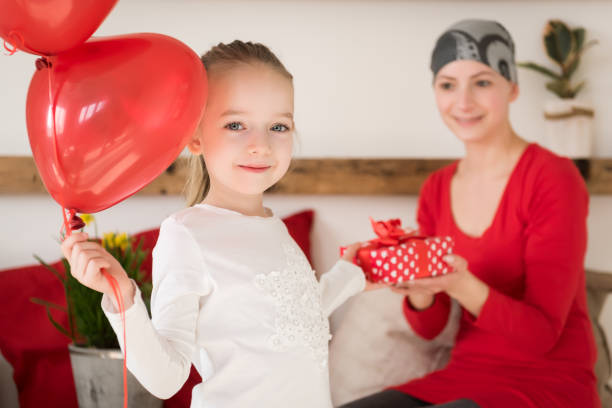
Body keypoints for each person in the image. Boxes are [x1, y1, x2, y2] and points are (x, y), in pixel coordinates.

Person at [61, 40, 376, 408]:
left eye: (278, 126)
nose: (260, 145)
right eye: (236, 124)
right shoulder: (186, 235)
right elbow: (166, 378)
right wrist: (122, 297)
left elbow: (295, 318)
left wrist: (350, 274)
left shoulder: (275, 228)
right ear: (195, 136)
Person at [340, 19, 599, 408]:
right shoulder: (437, 188)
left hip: (549, 383)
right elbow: (430, 328)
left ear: (511, 87)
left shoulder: (553, 177)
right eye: (447, 85)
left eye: (481, 82)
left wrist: (460, 284)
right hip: (463, 377)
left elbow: (542, 335)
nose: (463, 102)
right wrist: (421, 292)